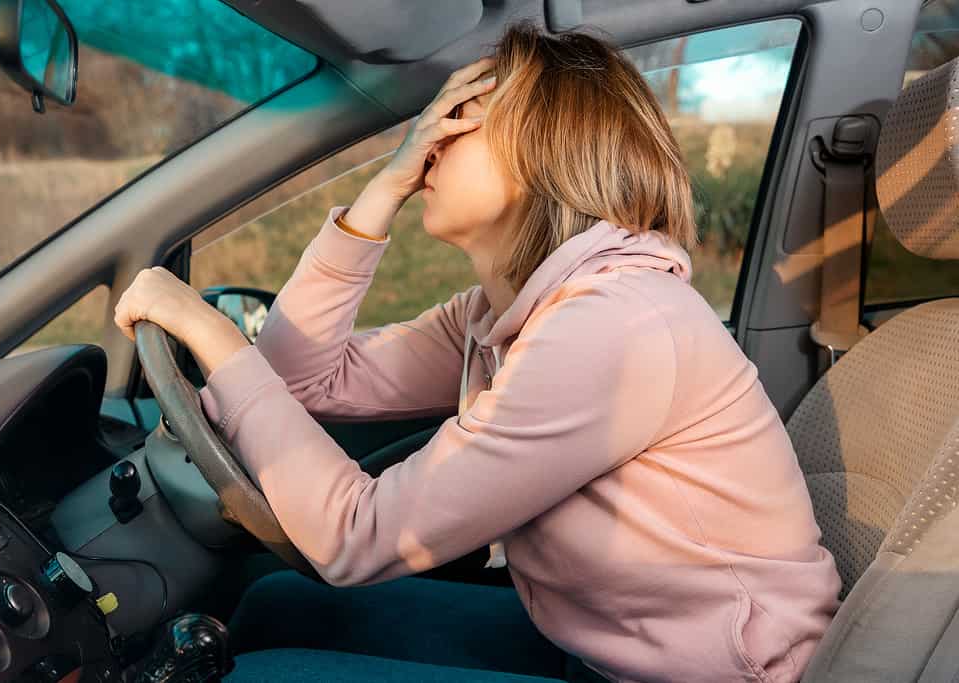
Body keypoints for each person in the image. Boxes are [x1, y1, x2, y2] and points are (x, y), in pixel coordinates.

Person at [114, 20, 842, 683]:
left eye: (455, 125)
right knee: (278, 605)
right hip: (597, 646)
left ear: (536, 153)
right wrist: (382, 191)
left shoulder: (616, 325)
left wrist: (208, 332)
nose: (425, 141)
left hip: (711, 675)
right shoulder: (507, 312)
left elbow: (357, 536)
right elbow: (301, 376)